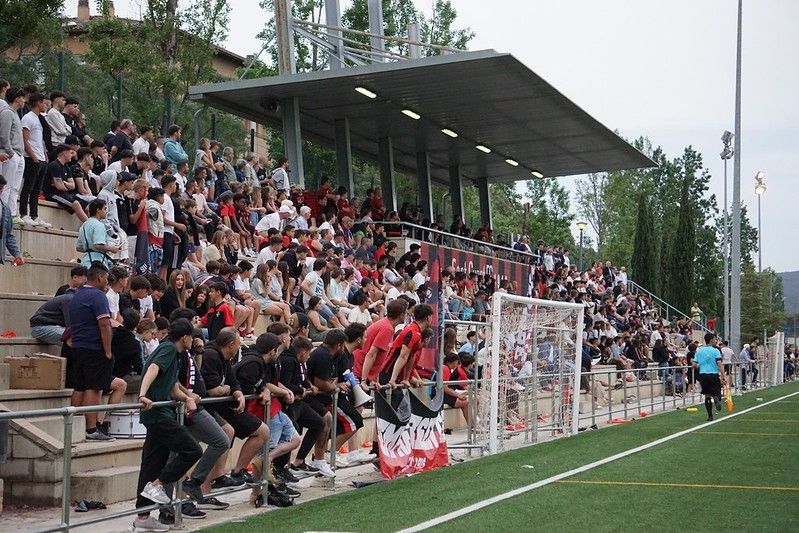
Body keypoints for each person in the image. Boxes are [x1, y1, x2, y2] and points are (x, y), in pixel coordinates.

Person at [132, 318, 204, 533]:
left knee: (151, 465)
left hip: (160, 414)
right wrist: (143, 394)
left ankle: (142, 518)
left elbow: (172, 387)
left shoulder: (176, 354)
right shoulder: (169, 349)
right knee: (192, 450)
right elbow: (152, 369)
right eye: (192, 336)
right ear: (185, 337)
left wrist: (188, 398)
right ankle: (157, 486)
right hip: (158, 415)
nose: (194, 340)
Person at [201, 327, 269, 487]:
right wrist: (227, 389)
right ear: (231, 344)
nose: (240, 348)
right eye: (238, 344)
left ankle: (215, 481)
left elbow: (232, 382)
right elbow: (213, 390)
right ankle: (222, 477)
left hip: (219, 407)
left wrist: (237, 392)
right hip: (206, 408)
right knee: (223, 438)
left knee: (227, 434)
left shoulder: (225, 358)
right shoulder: (210, 355)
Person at [69, 262, 127, 440]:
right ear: (101, 277)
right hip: (94, 348)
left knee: (79, 387)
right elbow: (104, 324)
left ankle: (73, 427)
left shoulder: (78, 294)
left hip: (78, 347)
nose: (108, 282)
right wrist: (108, 351)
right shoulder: (98, 296)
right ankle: (91, 429)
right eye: (107, 278)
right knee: (93, 388)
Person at [76, 199, 120, 268]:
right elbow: (98, 245)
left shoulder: (84, 226)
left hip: (85, 262)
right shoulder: (99, 225)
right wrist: (112, 249)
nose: (106, 211)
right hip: (98, 263)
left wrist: (90, 248)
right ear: (98, 210)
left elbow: (79, 248)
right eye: (104, 208)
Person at [692, 332, 726, 421]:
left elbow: (694, 364)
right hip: (713, 374)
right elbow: (719, 363)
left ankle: (710, 416)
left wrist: (698, 365)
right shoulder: (715, 351)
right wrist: (723, 376)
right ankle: (716, 398)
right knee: (717, 393)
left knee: (707, 395)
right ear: (711, 340)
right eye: (715, 339)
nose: (716, 341)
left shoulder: (699, 351)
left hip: (703, 375)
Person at [0, 175, 24, 265]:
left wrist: (17, 254)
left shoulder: (5, 209)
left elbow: (8, 235)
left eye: (1, 188)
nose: (1, 191)